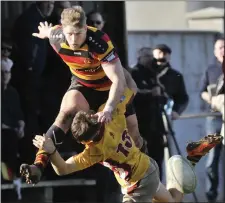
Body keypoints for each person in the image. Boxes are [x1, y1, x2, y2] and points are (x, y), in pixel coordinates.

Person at [21, 88, 223, 202]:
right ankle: (187, 162)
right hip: (148, 165)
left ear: (88, 141)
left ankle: (186, 164)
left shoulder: (96, 151)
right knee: (171, 201)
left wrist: (52, 151)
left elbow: (63, 168)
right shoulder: (110, 113)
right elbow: (125, 90)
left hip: (137, 185)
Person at [20, 6, 145, 183]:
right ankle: (38, 165)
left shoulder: (99, 42)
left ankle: (145, 172)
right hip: (83, 83)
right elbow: (51, 32)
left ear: (86, 29)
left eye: (78, 33)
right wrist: (46, 32)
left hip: (110, 88)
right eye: (69, 34)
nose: (73, 39)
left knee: (134, 135)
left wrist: (109, 107)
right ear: (63, 30)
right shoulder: (57, 37)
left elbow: (119, 81)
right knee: (64, 115)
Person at [200, 38, 224, 202]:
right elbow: (202, 91)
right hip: (214, 118)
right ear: (215, 51)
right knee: (211, 160)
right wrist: (212, 99)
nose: (223, 50)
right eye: (220, 48)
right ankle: (211, 196)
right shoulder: (211, 69)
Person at [1, 42, 25, 200]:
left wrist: (21, 125)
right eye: (2, 72)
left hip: (10, 131)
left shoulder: (12, 92)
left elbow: (19, 115)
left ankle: (15, 181)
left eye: (7, 73)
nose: (5, 76)